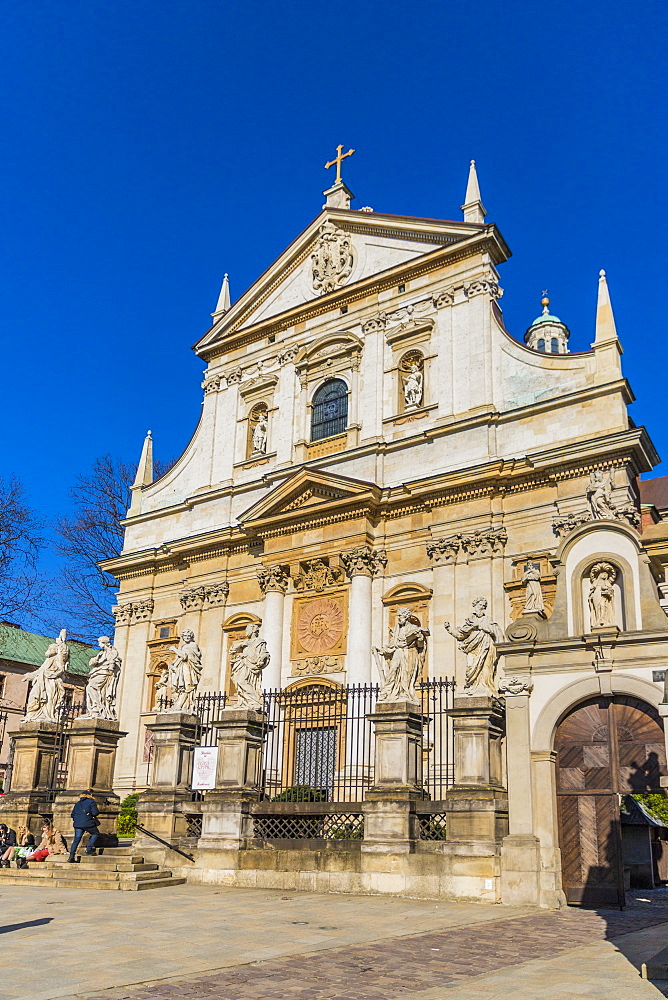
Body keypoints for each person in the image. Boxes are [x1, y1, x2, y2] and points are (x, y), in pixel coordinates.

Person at [68, 789, 100, 862]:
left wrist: (77, 820)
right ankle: (89, 849)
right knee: (95, 833)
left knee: (76, 839)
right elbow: (95, 813)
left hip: (77, 824)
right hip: (88, 823)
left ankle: (71, 857)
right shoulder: (91, 802)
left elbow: (72, 814)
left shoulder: (77, 803)